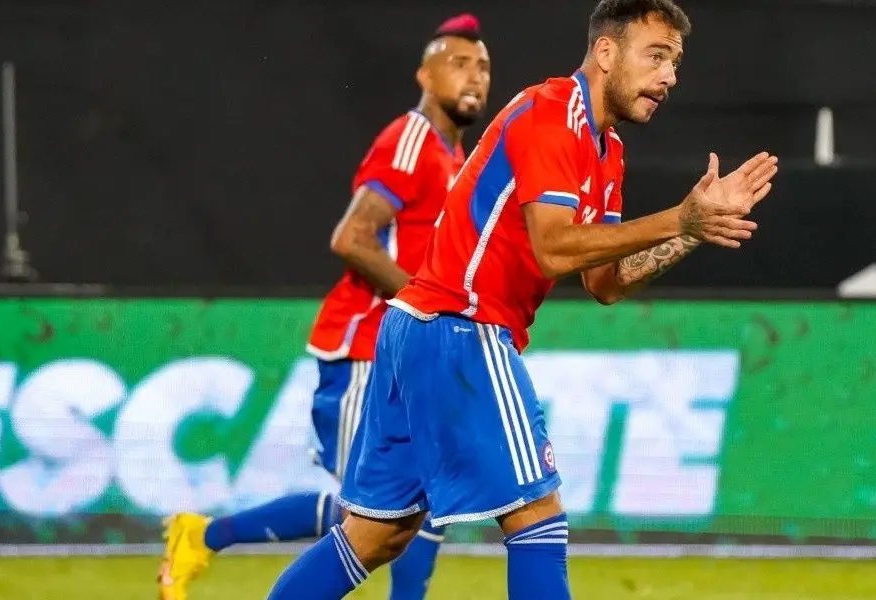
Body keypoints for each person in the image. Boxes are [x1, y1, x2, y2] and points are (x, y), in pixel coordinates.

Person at [264, 1, 779, 599]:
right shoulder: (551, 113)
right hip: (461, 326)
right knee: (537, 513)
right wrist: (677, 217)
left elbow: (604, 281)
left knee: (375, 536)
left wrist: (690, 230)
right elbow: (554, 250)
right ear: (606, 52)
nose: (670, 77)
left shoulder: (605, 150)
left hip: (419, 328)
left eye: (676, 63)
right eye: (657, 56)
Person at [156, 14, 491, 600]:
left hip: (407, 356)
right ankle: (204, 537)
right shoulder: (411, 140)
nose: (475, 76)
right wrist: (427, 304)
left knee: (406, 506)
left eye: (484, 66)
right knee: (395, 510)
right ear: (425, 73)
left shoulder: (455, 160)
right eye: (459, 62)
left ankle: (203, 536)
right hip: (366, 350)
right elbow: (352, 238)